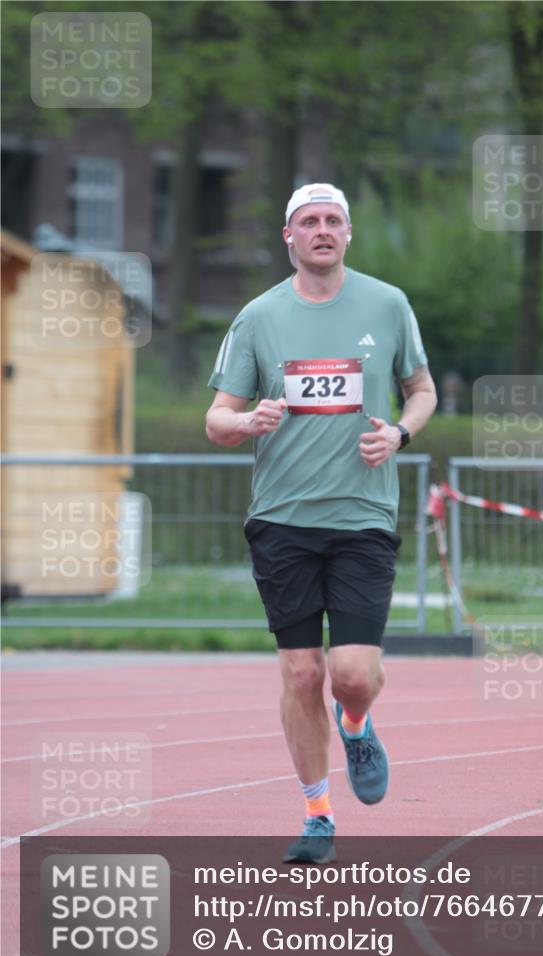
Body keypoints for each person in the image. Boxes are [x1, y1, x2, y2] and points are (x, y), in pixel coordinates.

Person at [205, 182, 437, 863]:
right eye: (308, 221)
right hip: (282, 520)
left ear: (348, 232)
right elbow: (216, 418)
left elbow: (420, 390)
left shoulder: (386, 305)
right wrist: (247, 421)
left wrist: (397, 433)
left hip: (362, 515)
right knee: (301, 674)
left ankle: (357, 724)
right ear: (289, 236)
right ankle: (315, 815)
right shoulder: (258, 317)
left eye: (333, 219)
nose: (321, 230)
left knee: (351, 674)